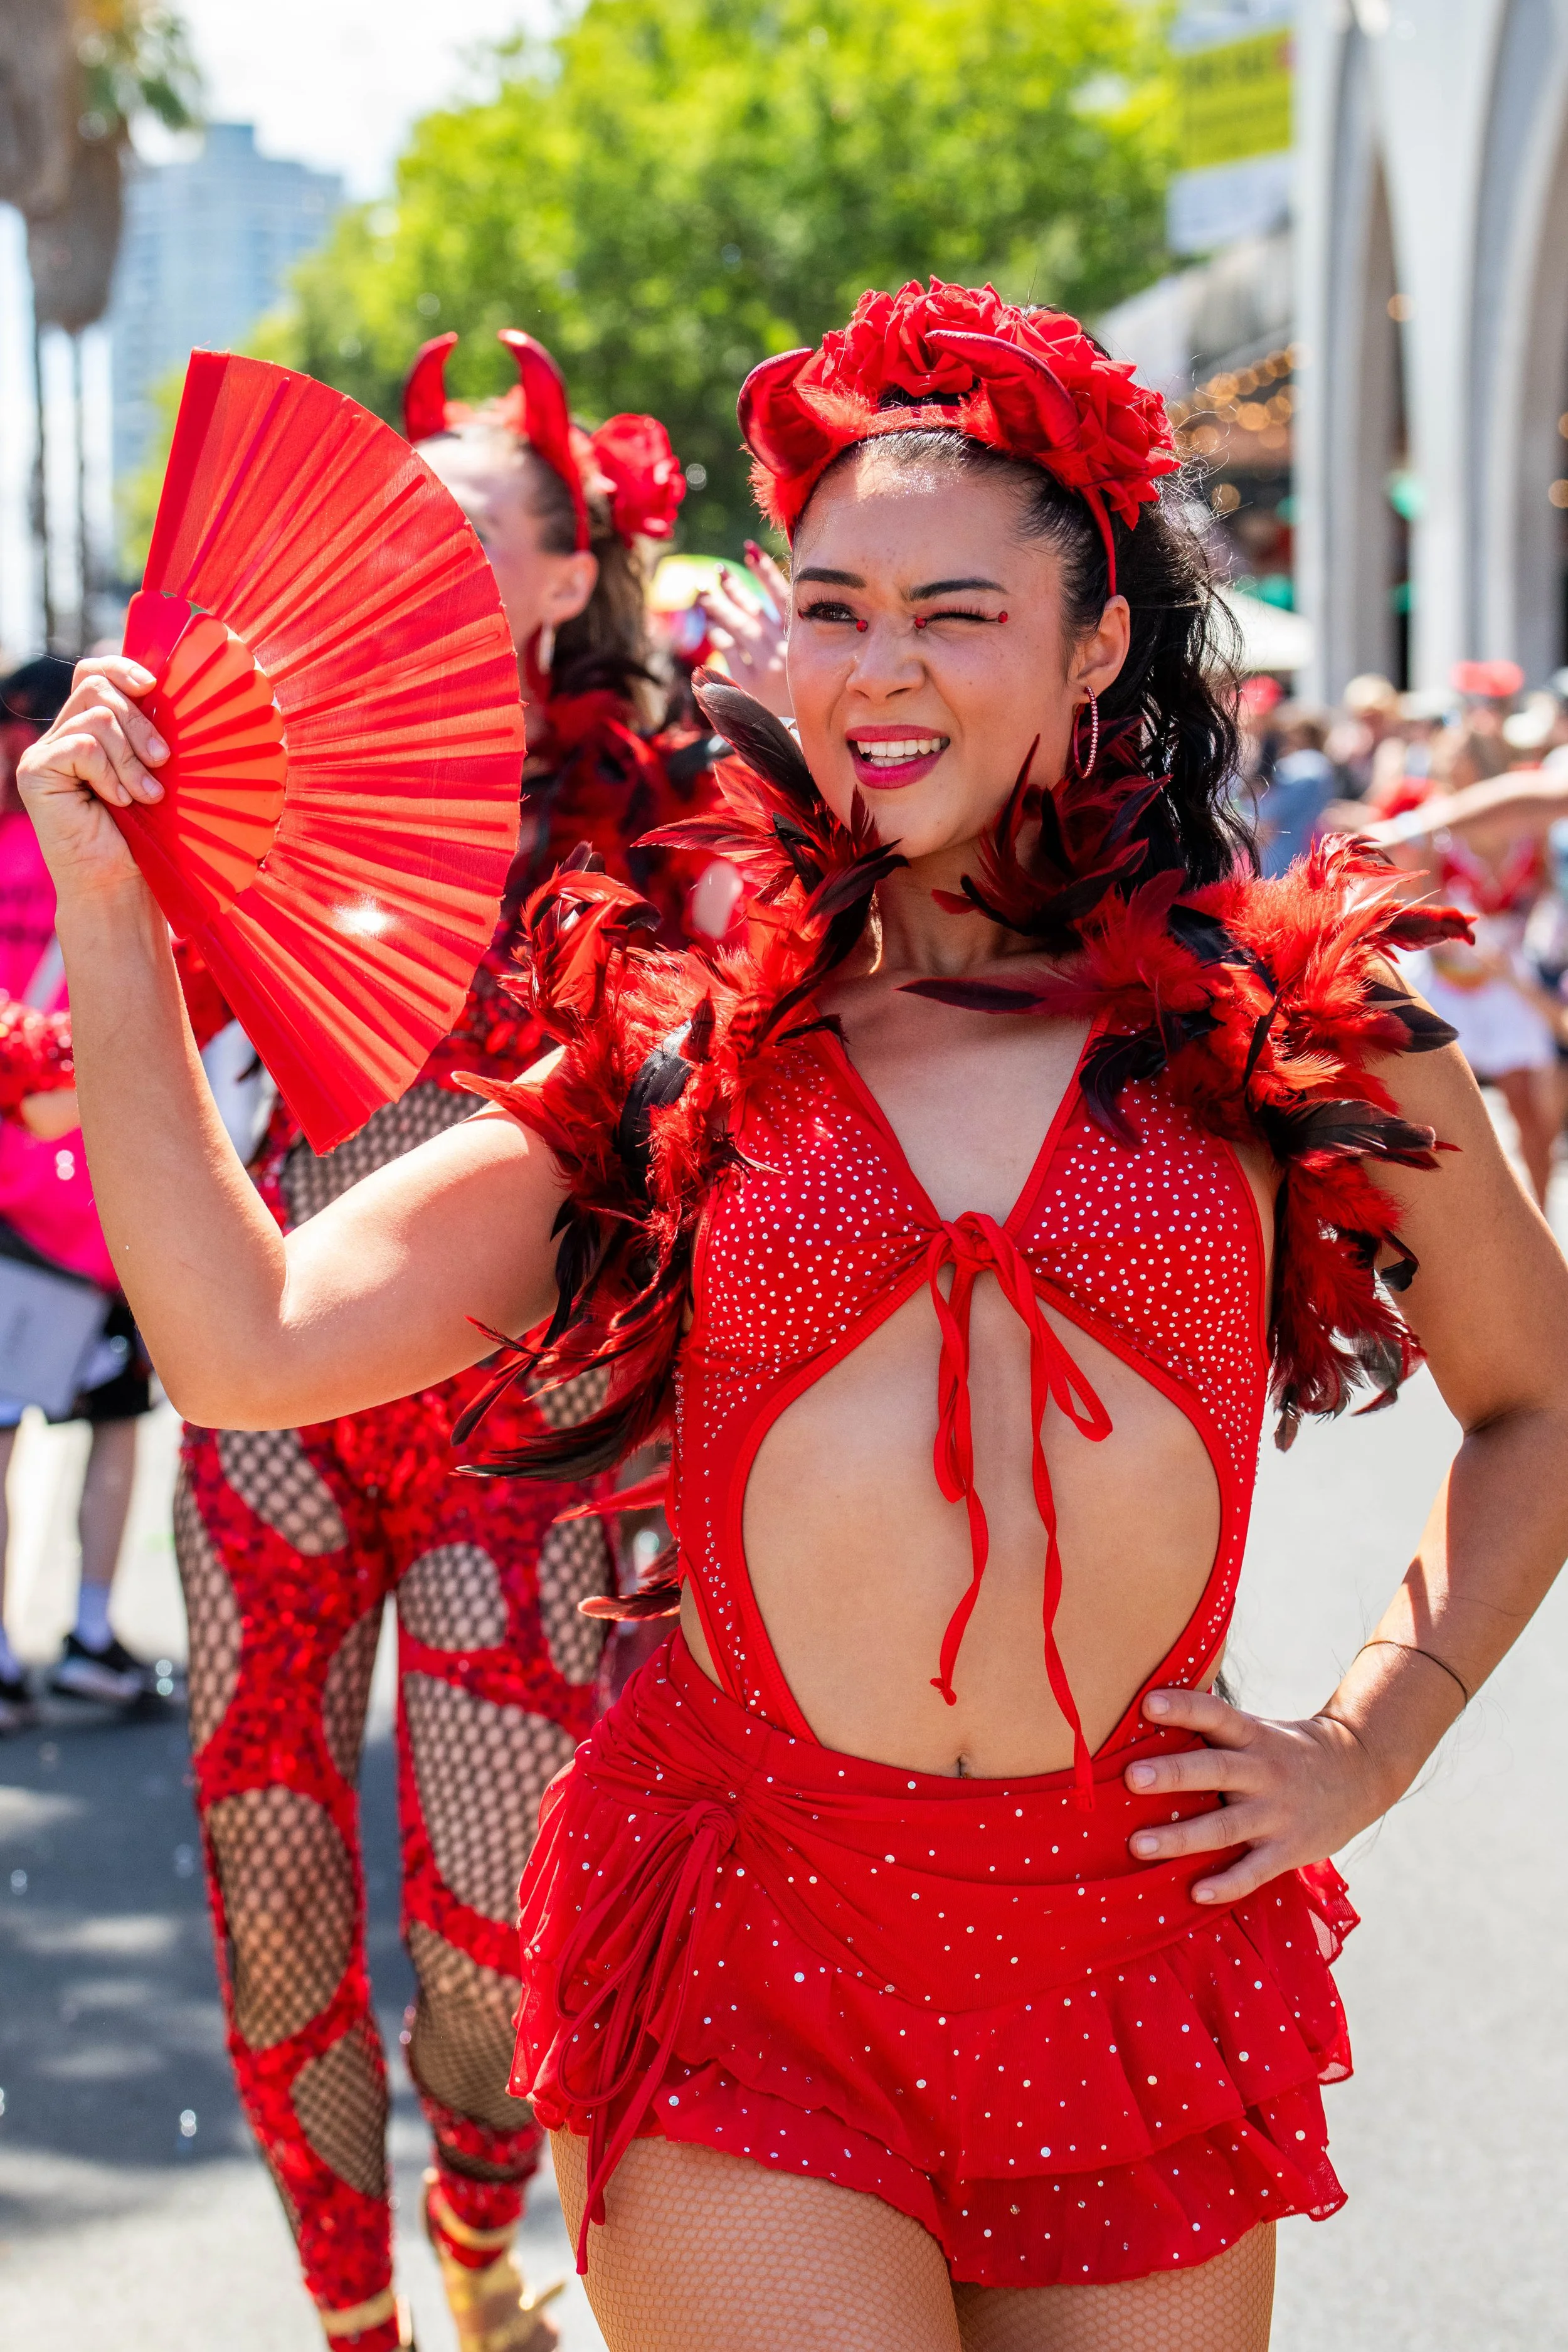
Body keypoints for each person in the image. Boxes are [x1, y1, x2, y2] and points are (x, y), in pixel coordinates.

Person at [20, 280, 1568, 2352]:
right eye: (833, 608)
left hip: (1133, 1955)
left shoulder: (1288, 1032)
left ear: (1098, 641)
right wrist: (108, 908)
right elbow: (249, 1338)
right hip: (755, 1957)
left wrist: (1378, 1734)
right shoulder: (674, 1063)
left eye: (955, 612)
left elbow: (1536, 1401)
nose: (879, 669)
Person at [163, 333, 712, 2352]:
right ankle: (353, 2323)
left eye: (462, 521)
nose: (409, 546)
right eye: (384, 513)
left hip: (529, 1416)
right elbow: (134, 1028)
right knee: (271, 1876)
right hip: (284, 1405)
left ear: (567, 577)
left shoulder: (668, 806)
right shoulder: (264, 778)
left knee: (491, 1948)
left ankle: (478, 2231)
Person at [0, 655, 161, 1732]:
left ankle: (7, 1652)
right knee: (116, 1422)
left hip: (18, 1194)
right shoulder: (149, 855)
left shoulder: (15, 847)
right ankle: (94, 1634)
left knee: (7, 1429)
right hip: (120, 1194)